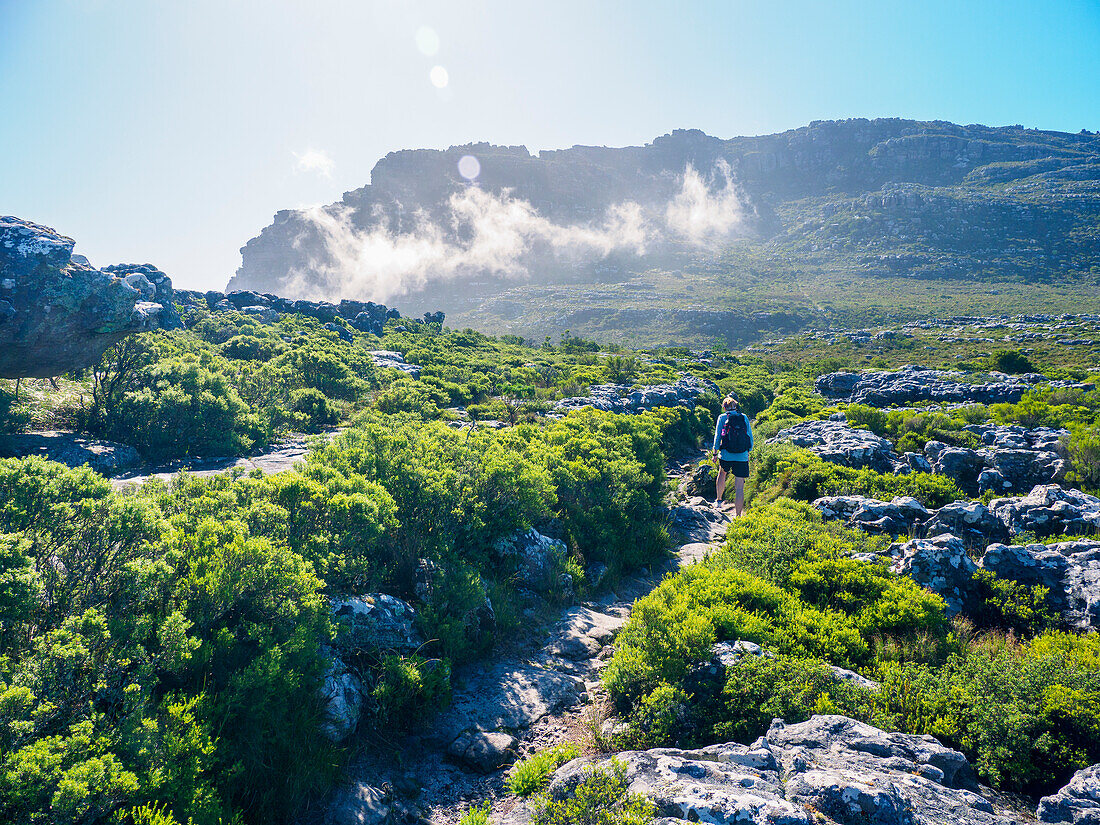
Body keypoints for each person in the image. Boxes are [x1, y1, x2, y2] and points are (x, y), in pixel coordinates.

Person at [711, 396, 753, 516]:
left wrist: (715, 453)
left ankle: (719, 501)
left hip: (726, 455)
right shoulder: (744, 417)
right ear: (735, 406)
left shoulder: (722, 417)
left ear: (724, 407)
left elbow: (717, 437)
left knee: (722, 473)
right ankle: (738, 516)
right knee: (739, 486)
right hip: (742, 455)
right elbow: (750, 436)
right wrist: (747, 452)